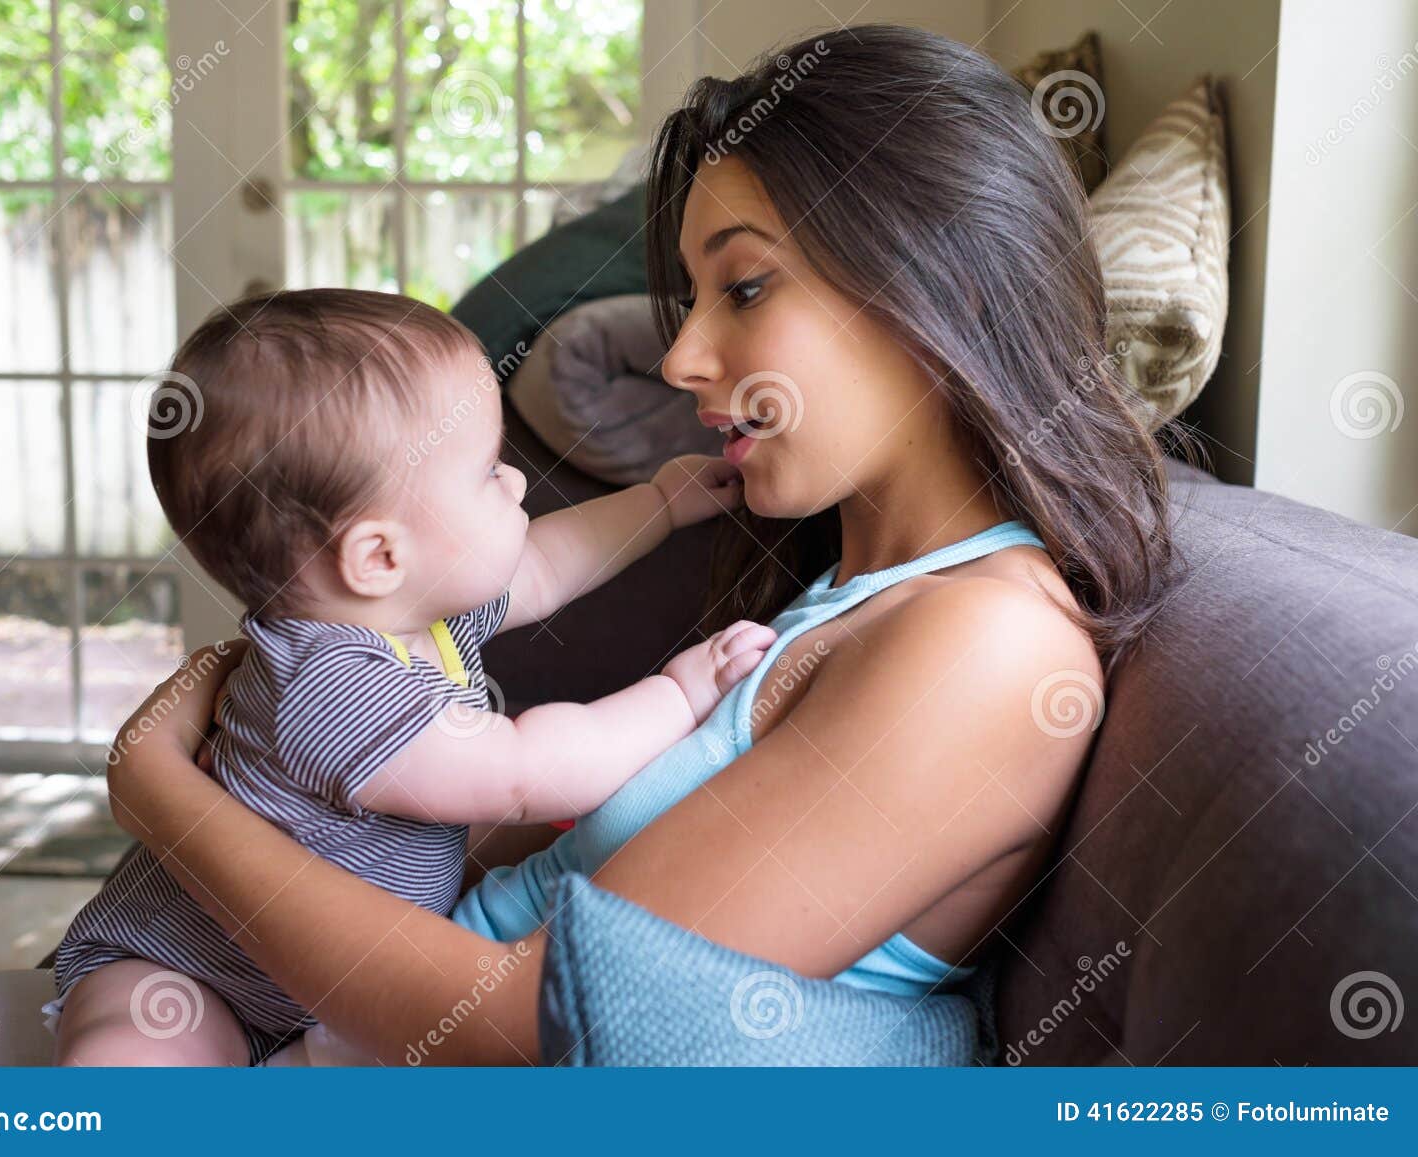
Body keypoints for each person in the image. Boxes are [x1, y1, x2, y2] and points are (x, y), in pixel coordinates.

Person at [78, 23, 1178, 1065]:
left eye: (742, 287)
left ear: (942, 288)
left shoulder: (985, 648)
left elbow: (523, 1029)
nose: (685, 357)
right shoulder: (849, 588)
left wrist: (163, 797)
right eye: (693, 296)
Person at [48, 289, 772, 1065]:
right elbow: (525, 771)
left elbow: (543, 564)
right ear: (379, 557)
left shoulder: (416, 615)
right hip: (187, 969)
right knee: (138, 1057)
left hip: (313, 981)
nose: (518, 483)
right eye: (489, 471)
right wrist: (681, 694)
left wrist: (659, 503)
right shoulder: (329, 685)